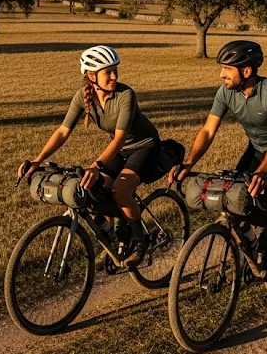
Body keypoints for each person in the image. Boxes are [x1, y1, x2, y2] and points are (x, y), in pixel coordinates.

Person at [18, 45, 162, 266]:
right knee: (92, 187)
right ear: (91, 75)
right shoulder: (83, 97)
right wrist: (38, 159)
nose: (114, 76)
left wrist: (96, 164)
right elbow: (63, 132)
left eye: (115, 70)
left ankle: (140, 239)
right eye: (108, 72)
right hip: (121, 150)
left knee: (120, 190)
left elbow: (120, 138)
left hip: (145, 146)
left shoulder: (126, 95)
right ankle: (115, 233)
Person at [169, 40, 267, 260]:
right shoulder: (225, 93)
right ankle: (253, 248)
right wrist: (189, 162)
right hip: (257, 149)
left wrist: (262, 172)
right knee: (234, 199)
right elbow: (208, 131)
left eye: (227, 69)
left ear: (247, 71)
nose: (222, 74)